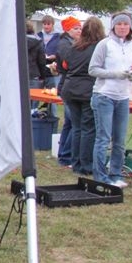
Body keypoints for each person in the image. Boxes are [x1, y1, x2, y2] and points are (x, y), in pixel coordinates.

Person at [88, 12, 132, 188]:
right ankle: (100, 176)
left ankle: (116, 173)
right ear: (114, 26)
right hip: (104, 95)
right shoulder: (105, 45)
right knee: (103, 138)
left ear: (130, 27)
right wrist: (115, 74)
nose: (122, 27)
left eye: (125, 24)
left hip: (123, 96)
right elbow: (93, 69)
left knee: (120, 139)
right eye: (119, 24)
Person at [58, 16, 104, 175]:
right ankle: (86, 165)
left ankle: (76, 162)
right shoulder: (99, 47)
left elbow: (65, 65)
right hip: (87, 90)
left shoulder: (74, 46)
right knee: (88, 128)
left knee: (77, 128)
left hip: (70, 89)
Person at [55, 16, 82, 167]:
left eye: (79, 28)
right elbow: (68, 63)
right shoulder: (65, 44)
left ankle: (63, 155)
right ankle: (66, 154)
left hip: (67, 84)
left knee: (69, 122)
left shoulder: (70, 43)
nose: (78, 31)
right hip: (68, 84)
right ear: (67, 29)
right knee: (74, 122)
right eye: (75, 28)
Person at [37, 14, 61, 116]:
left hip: (53, 70)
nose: (46, 26)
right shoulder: (38, 35)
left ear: (52, 25)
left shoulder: (58, 37)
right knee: (36, 94)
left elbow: (61, 51)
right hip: (40, 70)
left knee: (53, 96)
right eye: (44, 24)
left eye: (48, 24)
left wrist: (54, 56)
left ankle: (53, 117)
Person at [26, 21, 48, 109]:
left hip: (18, 75)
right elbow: (42, 61)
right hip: (34, 74)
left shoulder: (15, 41)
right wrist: (43, 76)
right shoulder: (38, 42)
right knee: (33, 105)